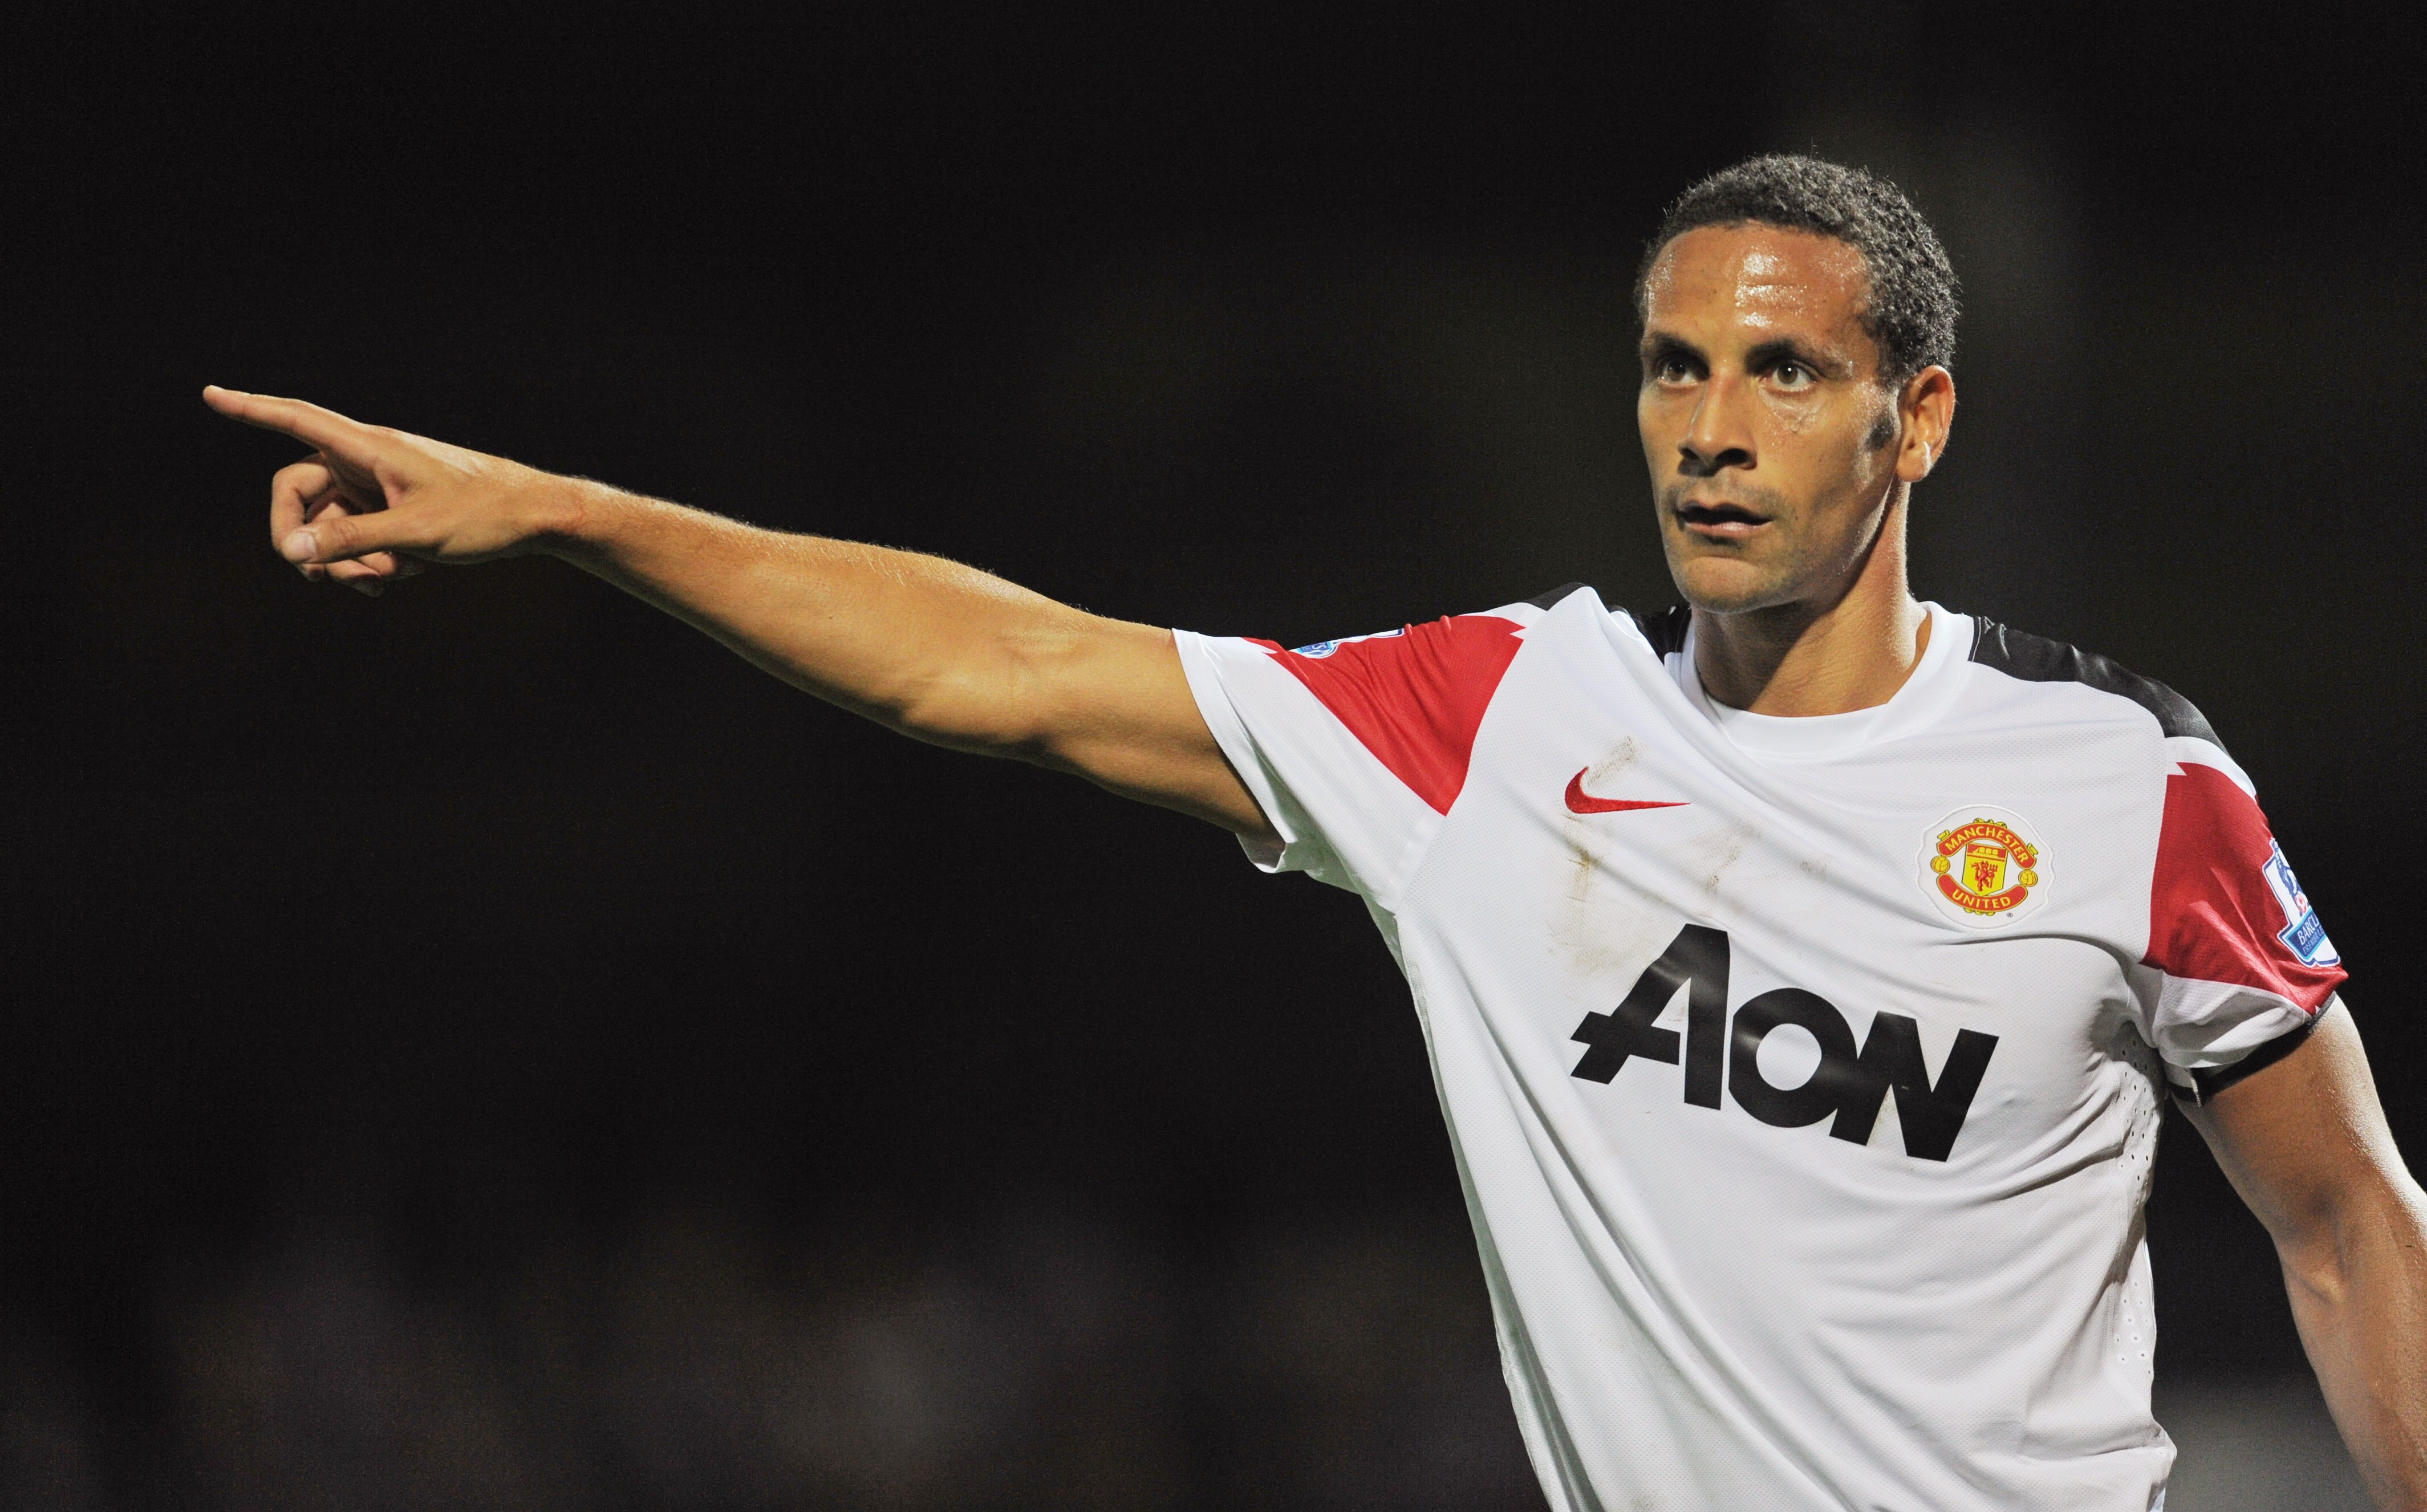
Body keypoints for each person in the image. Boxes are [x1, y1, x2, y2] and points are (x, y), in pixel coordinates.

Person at [206, 155, 2426, 1510]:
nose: (1710, 431)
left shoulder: (2126, 785)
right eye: (1669, 371)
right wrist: (570, 518)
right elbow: (993, 665)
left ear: (1914, 414)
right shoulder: (1492, 721)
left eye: (1780, 373)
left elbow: (2340, 1222)